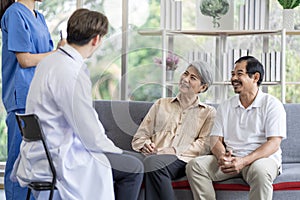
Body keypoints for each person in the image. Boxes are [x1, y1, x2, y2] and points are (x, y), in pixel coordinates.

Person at [11, 8, 143, 200]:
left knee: (130, 160)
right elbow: (86, 127)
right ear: (96, 39)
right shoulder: (70, 71)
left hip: (41, 153)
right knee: (135, 167)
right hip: (60, 157)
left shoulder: (50, 62)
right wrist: (113, 148)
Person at [186, 56, 287, 200]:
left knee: (260, 171)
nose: (233, 78)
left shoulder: (272, 104)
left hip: (261, 160)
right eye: (233, 74)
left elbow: (274, 143)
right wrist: (222, 157)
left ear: (255, 77)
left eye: (239, 74)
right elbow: (215, 139)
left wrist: (244, 161)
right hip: (231, 160)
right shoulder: (226, 105)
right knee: (195, 166)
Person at [0, 0, 63, 199]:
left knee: (33, 161)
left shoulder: (40, 17)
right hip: (22, 96)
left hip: (39, 96)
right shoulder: (14, 13)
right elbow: (25, 60)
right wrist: (56, 53)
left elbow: (47, 58)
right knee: (18, 160)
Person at [131, 60, 216, 200]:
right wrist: (145, 145)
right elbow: (140, 137)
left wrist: (172, 151)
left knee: (153, 164)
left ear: (203, 87)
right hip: (153, 156)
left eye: (192, 78)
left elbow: (204, 145)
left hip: (182, 159)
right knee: (136, 163)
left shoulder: (208, 112)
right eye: (185, 74)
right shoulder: (161, 104)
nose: (185, 79)